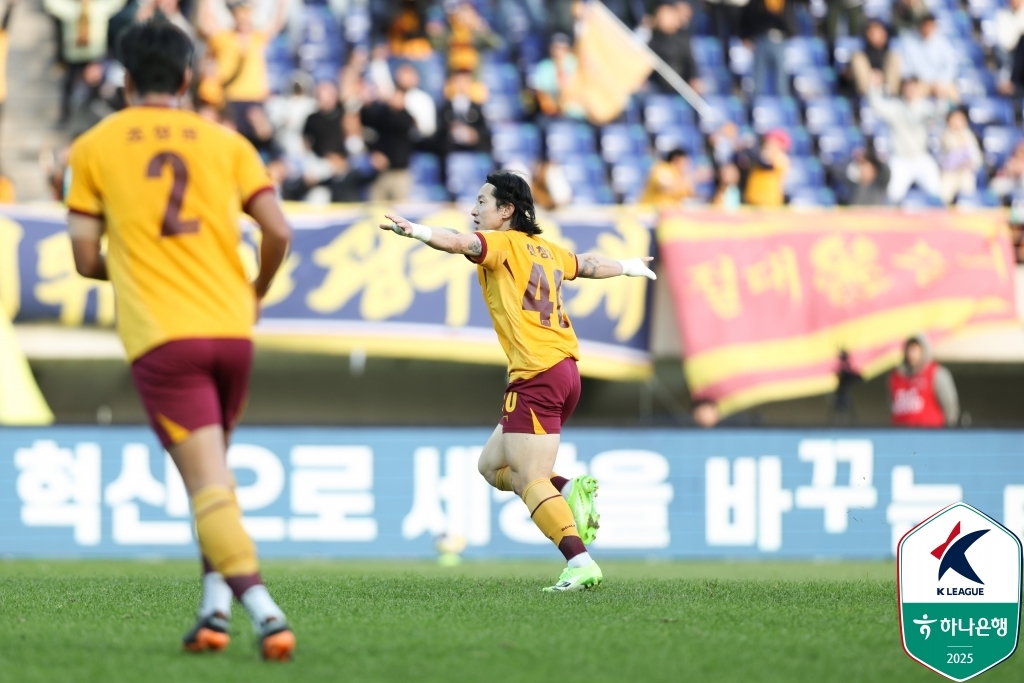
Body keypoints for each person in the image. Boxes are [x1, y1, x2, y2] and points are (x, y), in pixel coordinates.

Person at [64, 19, 295, 660]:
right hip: (232, 328)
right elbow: (278, 230)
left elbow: (85, 259)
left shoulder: (95, 145)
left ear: (125, 79)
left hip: (166, 336)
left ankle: (264, 611)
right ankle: (213, 611)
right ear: (189, 78)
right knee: (214, 475)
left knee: (206, 485)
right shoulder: (228, 142)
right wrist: (255, 289)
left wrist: (138, 258)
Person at [379, 172, 656, 591]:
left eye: (482, 202)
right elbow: (591, 264)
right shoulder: (548, 251)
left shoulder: (502, 243)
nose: (474, 210)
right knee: (491, 467)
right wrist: (631, 267)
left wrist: (416, 230)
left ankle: (579, 562)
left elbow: (459, 242)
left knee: (529, 479)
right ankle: (566, 490)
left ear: (507, 211)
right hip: (563, 372)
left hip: (537, 373)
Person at [198, 0, 288, 136]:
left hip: (253, 98)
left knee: (261, 134)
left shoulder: (257, 38)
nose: (244, 22)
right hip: (229, 97)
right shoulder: (224, 38)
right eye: (240, 18)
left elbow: (276, 24)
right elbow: (206, 25)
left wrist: (282, 4)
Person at [44, 0, 127, 124]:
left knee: (99, 88)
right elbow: (52, 4)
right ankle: (65, 116)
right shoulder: (71, 10)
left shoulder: (99, 9)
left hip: (94, 57)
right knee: (68, 86)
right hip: (73, 56)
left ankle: (96, 117)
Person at [868, 78, 942, 203]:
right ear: (903, 89)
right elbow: (877, 106)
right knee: (892, 196)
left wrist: (939, 97)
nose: (910, 91)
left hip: (921, 157)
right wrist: (874, 88)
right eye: (908, 88)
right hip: (900, 159)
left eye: (914, 88)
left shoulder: (925, 107)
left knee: (937, 193)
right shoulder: (896, 107)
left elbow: (938, 115)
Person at [888, 335, 959, 427]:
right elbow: (891, 405)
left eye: (915, 350)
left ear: (924, 351)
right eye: (909, 349)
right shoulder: (895, 376)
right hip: (901, 435)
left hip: (931, 434)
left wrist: (947, 433)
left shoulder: (936, 373)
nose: (911, 354)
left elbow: (950, 407)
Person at [741, 0, 796, 97]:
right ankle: (755, 109)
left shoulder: (784, 2)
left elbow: (791, 24)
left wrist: (778, 12)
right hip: (761, 40)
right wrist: (745, 36)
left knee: (781, 85)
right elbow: (747, 17)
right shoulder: (757, 3)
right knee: (757, 84)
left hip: (780, 40)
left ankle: (782, 111)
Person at [899, 14, 958, 102]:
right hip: (920, 82)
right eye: (926, 26)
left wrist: (941, 81)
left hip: (940, 82)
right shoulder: (909, 42)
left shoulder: (942, 42)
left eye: (931, 26)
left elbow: (950, 65)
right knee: (912, 93)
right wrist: (928, 82)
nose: (928, 29)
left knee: (954, 93)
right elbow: (908, 68)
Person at [647, 2, 701, 95]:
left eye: (667, 16)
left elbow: (690, 65)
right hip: (656, 87)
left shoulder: (683, 40)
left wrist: (694, 79)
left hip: (680, 86)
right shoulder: (653, 39)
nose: (664, 19)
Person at [532, 33, 584, 119]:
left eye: (562, 48)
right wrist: (554, 108)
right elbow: (541, 94)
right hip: (553, 114)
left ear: (568, 49)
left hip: (576, 113)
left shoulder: (577, 64)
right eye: (556, 48)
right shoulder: (544, 67)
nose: (559, 51)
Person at [938, 108, 982, 205]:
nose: (957, 122)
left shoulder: (969, 135)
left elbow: (976, 157)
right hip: (949, 172)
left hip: (965, 172)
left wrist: (971, 161)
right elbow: (951, 157)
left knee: (968, 195)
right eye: (954, 119)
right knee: (944, 195)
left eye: (960, 119)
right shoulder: (946, 134)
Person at [849, 19, 901, 96]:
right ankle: (865, 97)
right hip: (868, 89)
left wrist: (881, 76)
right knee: (857, 58)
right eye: (871, 33)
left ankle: (891, 96)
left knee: (894, 57)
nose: (875, 35)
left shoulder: (891, 53)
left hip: (887, 89)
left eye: (878, 32)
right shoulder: (861, 53)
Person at [744, 128, 790, 206]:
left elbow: (766, 164)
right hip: (752, 199)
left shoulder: (781, 158)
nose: (768, 143)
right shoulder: (763, 154)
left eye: (772, 141)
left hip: (769, 201)